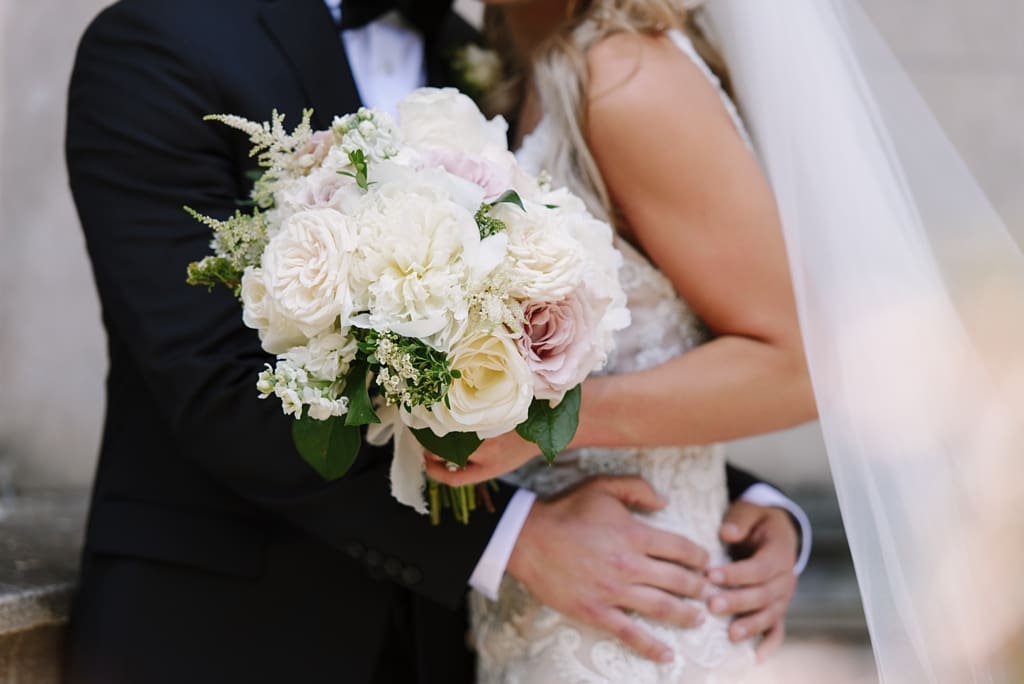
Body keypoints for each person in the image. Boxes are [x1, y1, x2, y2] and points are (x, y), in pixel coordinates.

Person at [63, 0, 811, 682]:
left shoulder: (478, 54)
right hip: (232, 633)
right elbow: (215, 382)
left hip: (458, 644)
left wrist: (734, 508)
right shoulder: (160, 42)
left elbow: (551, 348)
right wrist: (514, 538)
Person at [424, 0, 817, 681]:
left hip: (644, 630)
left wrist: (543, 423)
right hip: (544, 610)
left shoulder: (628, 76)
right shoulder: (524, 61)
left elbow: (799, 371)